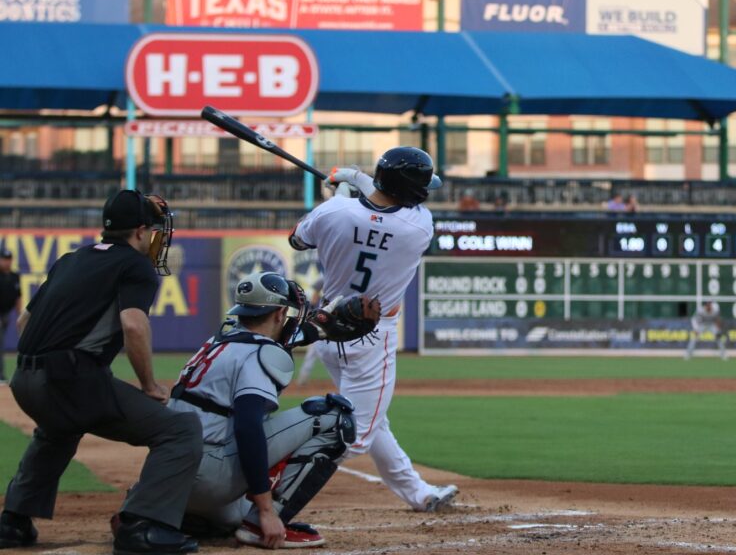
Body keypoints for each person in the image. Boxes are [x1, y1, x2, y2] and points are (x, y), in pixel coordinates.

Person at [0, 190, 203, 554]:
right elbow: (134, 326)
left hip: (24, 379)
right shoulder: (136, 266)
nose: (156, 237)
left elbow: (27, 320)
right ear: (140, 232)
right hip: (69, 379)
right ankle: (143, 526)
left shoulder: (71, 260)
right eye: (152, 230)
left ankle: (13, 520)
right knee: (181, 430)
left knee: (60, 427)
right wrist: (149, 384)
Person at [294, 148, 459, 513]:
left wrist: (339, 193)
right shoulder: (419, 226)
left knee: (373, 421)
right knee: (354, 437)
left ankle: (419, 492)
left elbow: (298, 239)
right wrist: (348, 182)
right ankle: (263, 492)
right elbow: (379, 211)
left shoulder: (334, 212)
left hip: (328, 332)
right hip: (372, 338)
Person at [164, 272, 358, 549]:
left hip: (170, 483)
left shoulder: (216, 343)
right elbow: (247, 428)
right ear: (280, 313)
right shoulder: (258, 353)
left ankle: (195, 518)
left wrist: (315, 329)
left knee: (233, 514)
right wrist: (265, 509)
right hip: (208, 479)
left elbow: (274, 339)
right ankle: (262, 521)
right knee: (336, 417)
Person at [0, 247, 20, 384]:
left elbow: (18, 297)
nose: (7, 262)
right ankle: (0, 374)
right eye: (4, 259)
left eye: (9, 259)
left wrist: (20, 316)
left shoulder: (14, 276)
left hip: (7, 313)